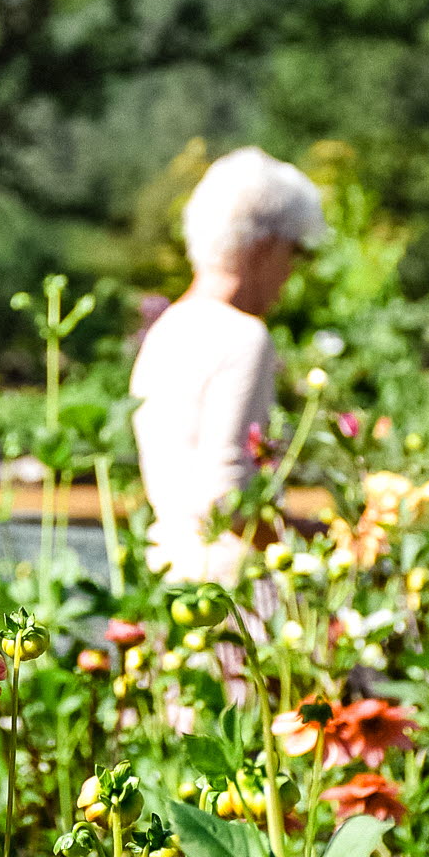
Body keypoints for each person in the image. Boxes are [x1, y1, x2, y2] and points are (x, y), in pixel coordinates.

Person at [130, 147, 326, 583]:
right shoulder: (243, 336)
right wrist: (322, 539)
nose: (289, 272)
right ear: (265, 247)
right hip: (225, 594)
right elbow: (226, 500)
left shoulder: (166, 330)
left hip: (165, 574)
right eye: (291, 252)